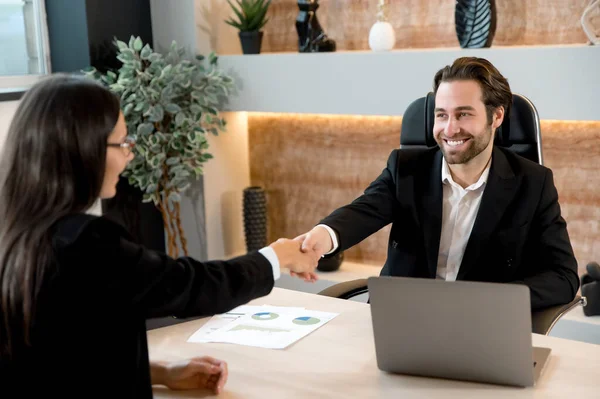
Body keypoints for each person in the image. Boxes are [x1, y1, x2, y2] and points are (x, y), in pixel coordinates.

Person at [0, 74, 319, 397]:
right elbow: (193, 286)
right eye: (122, 143)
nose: (131, 155)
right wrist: (278, 257)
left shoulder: (16, 236)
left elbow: (59, 356)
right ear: (83, 150)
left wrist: (161, 372)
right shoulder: (86, 243)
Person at [296, 57, 579, 311]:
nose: (450, 128)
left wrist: (494, 299)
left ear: (497, 116)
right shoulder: (405, 168)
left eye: (464, 114)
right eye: (442, 114)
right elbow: (362, 211)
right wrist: (321, 238)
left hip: (481, 326)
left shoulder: (533, 183)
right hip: (403, 319)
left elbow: (563, 277)